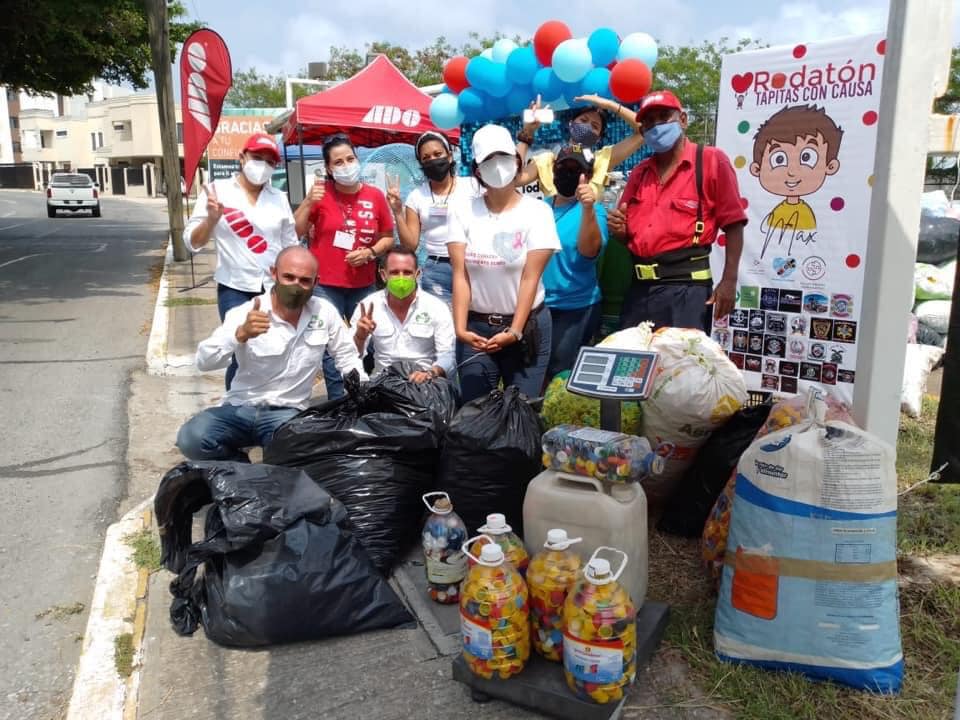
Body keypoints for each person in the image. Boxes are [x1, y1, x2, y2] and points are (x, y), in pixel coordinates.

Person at [176, 247, 366, 462]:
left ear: (316, 282)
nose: (295, 286)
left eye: (304, 280)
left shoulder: (324, 312)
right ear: (274, 273)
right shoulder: (246, 312)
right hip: (241, 408)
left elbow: (346, 357)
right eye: (288, 277)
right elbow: (204, 361)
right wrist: (240, 335)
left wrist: (363, 392)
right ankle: (240, 469)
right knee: (192, 438)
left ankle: (270, 469)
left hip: (287, 413)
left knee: (299, 452)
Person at [608, 90, 746, 332]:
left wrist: (729, 280)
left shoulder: (711, 160)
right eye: (648, 122)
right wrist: (619, 230)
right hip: (640, 291)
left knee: (680, 366)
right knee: (632, 366)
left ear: (683, 119)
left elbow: (734, 224)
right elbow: (628, 235)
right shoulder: (640, 173)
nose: (655, 126)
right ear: (642, 132)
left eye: (663, 117)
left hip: (687, 291)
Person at [447, 124, 560, 403]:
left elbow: (529, 278)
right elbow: (461, 276)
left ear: (517, 161)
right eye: (488, 160)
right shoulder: (462, 210)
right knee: (475, 410)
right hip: (476, 329)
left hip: (526, 327)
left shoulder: (538, 212)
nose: (497, 166)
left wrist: (515, 330)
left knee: (520, 409)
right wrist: (461, 329)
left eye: (504, 158)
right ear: (476, 169)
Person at [183, 132, 298, 389]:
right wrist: (211, 219)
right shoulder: (216, 192)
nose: (263, 165)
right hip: (234, 288)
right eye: (257, 157)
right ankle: (235, 406)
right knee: (240, 347)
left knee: (273, 349)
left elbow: (290, 244)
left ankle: (269, 404)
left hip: (273, 288)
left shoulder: (278, 198)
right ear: (242, 157)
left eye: (270, 161)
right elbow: (192, 242)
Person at [293, 133, 395, 400]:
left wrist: (371, 252)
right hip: (326, 285)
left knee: (370, 339)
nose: (346, 165)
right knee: (332, 347)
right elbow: (296, 230)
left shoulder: (375, 196)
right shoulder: (320, 194)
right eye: (338, 162)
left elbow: (388, 237)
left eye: (350, 158)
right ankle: (340, 402)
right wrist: (307, 202)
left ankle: (365, 392)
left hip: (364, 285)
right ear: (328, 168)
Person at [542, 146, 608, 381]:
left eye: (576, 169)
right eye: (563, 167)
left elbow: (589, 252)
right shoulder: (540, 207)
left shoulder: (595, 211)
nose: (567, 174)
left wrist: (588, 208)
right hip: (540, 307)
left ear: (587, 176)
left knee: (559, 376)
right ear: (553, 170)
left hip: (576, 308)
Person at [388, 131, 479, 302]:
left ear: (450, 156)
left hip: (472, 263)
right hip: (436, 270)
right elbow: (410, 244)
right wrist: (397, 211)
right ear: (421, 163)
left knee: (473, 320)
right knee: (442, 324)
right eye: (426, 157)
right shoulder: (416, 196)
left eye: (438, 154)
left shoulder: (473, 187)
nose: (433, 160)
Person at [350, 247, 455, 382]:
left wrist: (431, 373)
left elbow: (448, 355)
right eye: (394, 272)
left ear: (417, 274)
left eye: (407, 273)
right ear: (383, 275)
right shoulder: (369, 306)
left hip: (424, 385)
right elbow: (349, 356)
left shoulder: (436, 308)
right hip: (383, 384)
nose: (401, 278)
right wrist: (360, 337)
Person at [514, 94, 645, 199]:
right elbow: (514, 179)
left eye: (595, 126)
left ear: (598, 137)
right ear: (571, 124)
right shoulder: (546, 161)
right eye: (583, 121)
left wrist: (609, 105)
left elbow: (643, 132)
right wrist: (527, 133)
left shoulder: (601, 160)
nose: (587, 127)